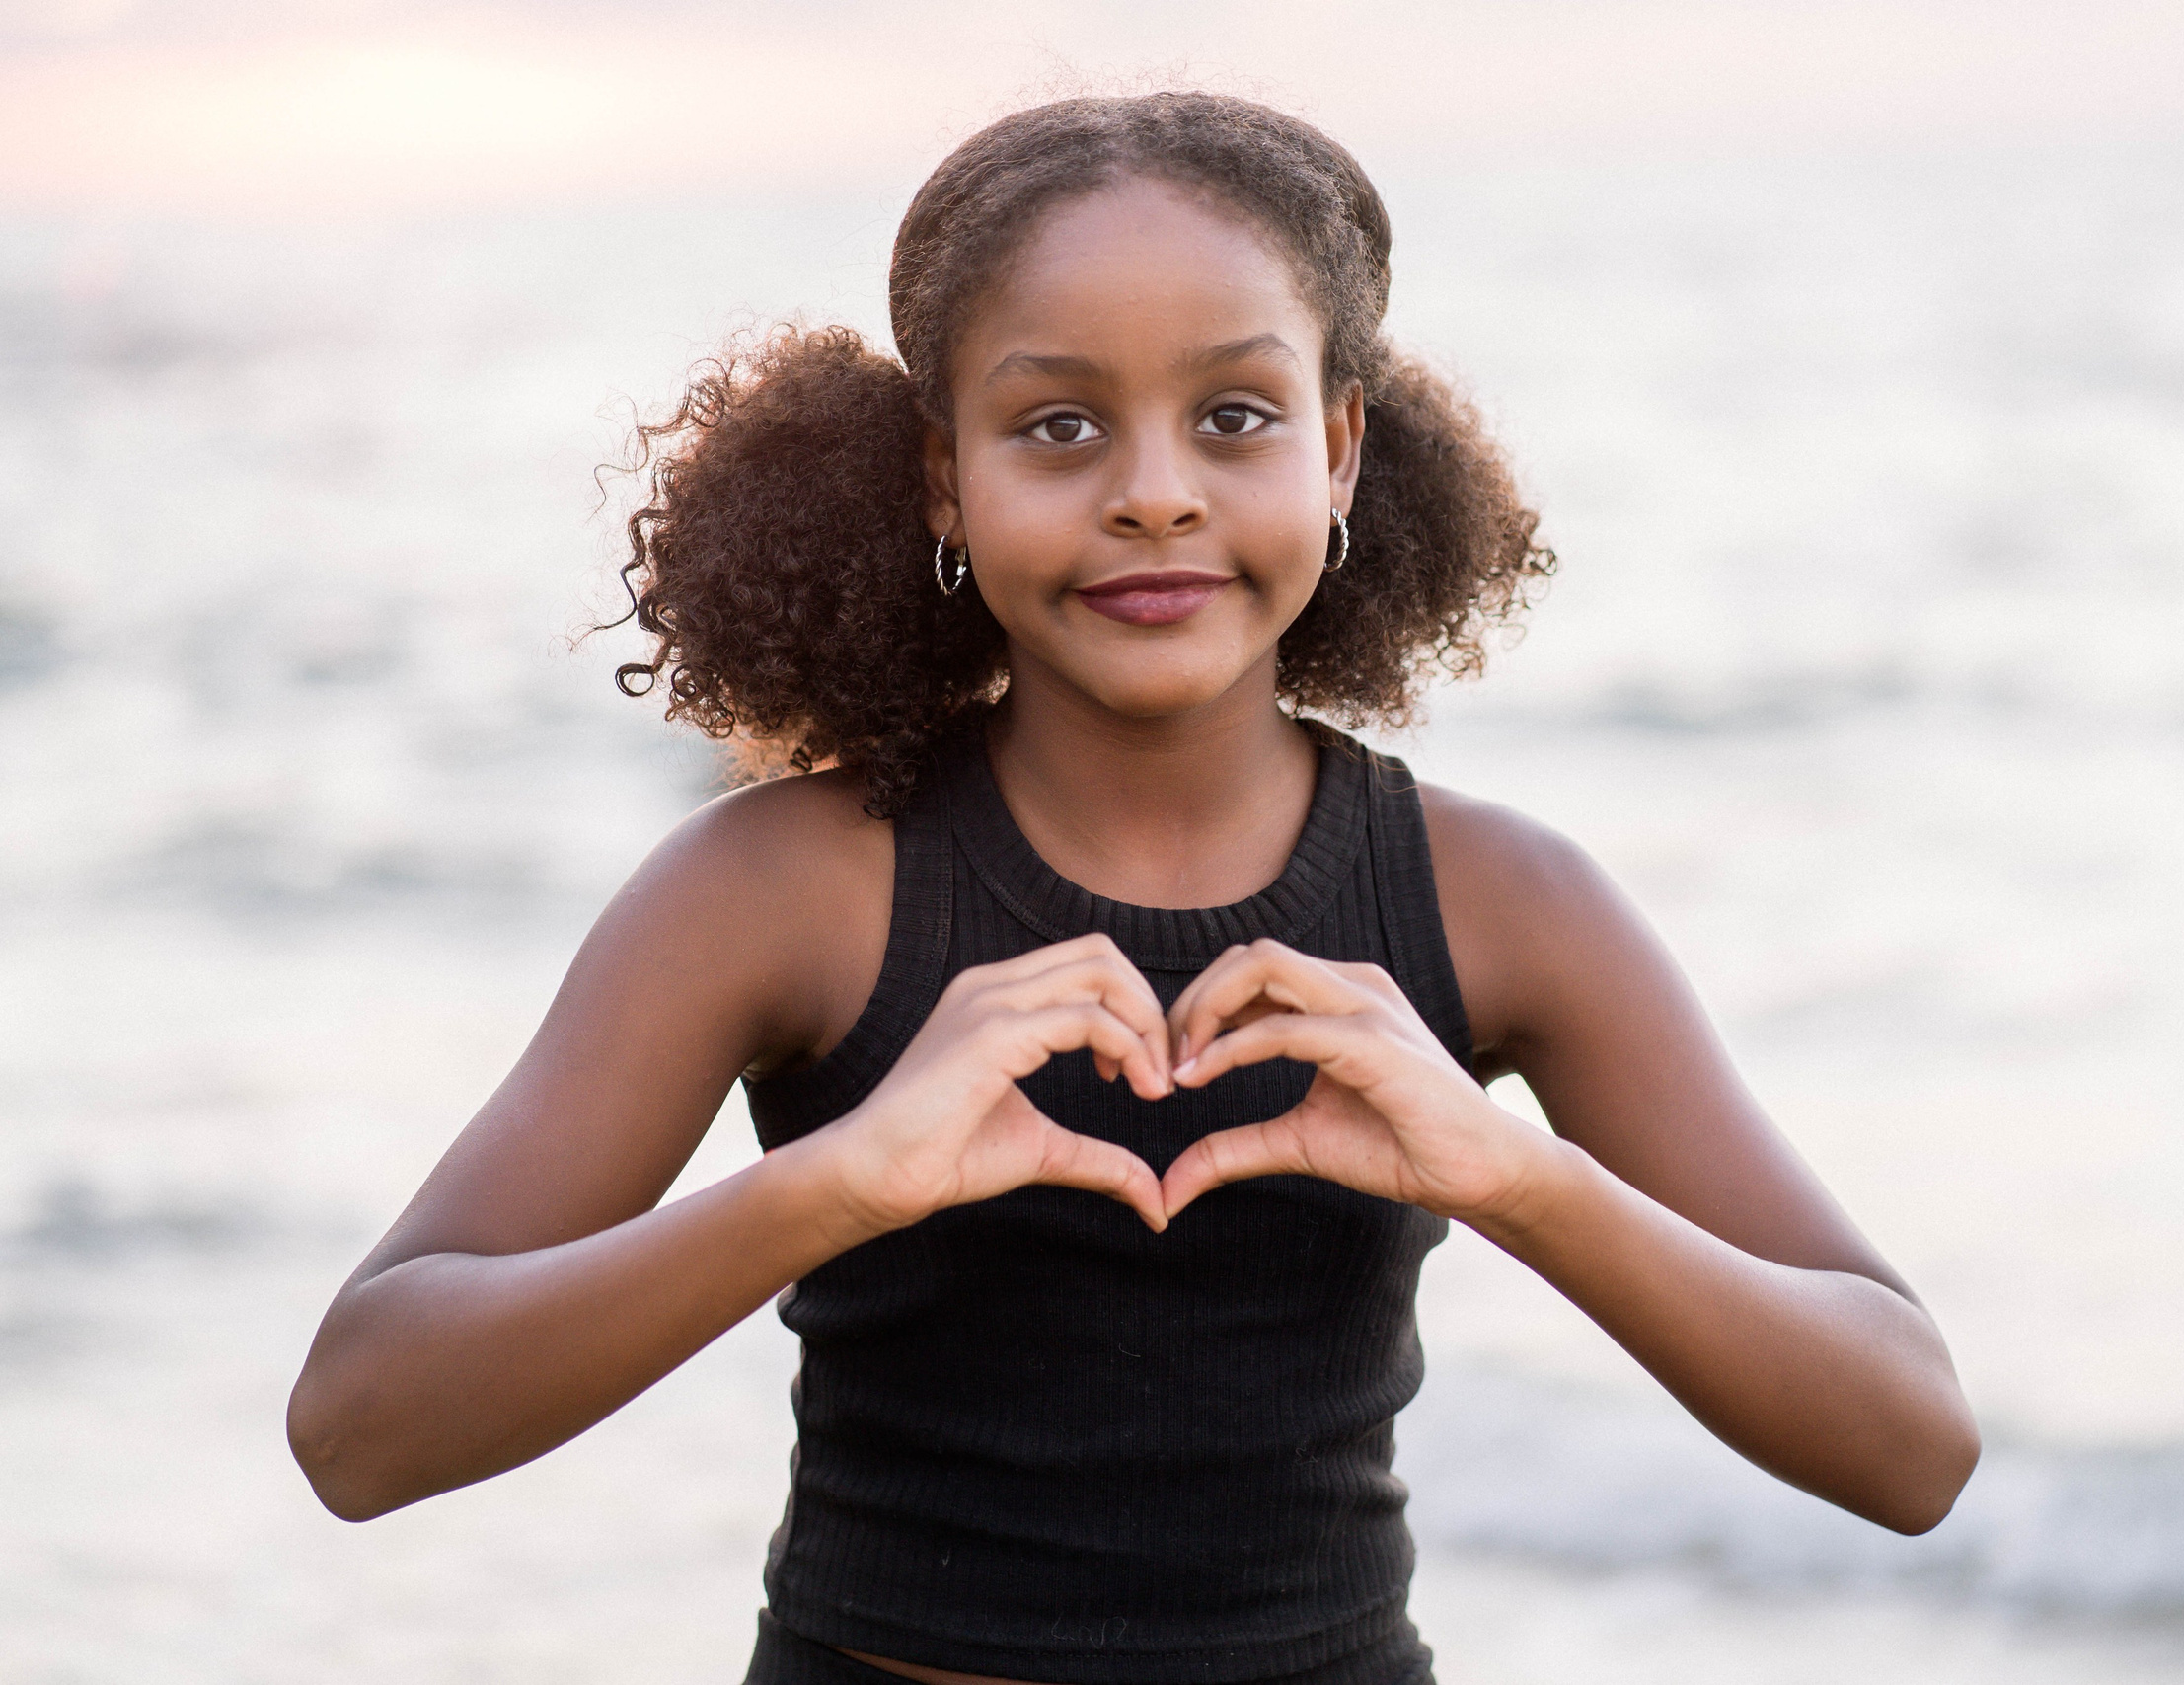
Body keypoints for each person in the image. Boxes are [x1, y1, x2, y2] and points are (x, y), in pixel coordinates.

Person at [286, 92, 1979, 1685]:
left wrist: (1513, 1176)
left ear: (1339, 448)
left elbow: (1910, 1446)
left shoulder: (1500, 901)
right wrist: (834, 1184)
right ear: (946, 476)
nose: (1154, 491)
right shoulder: (781, 889)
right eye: (1059, 425)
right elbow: (362, 1427)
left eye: (1234, 417)